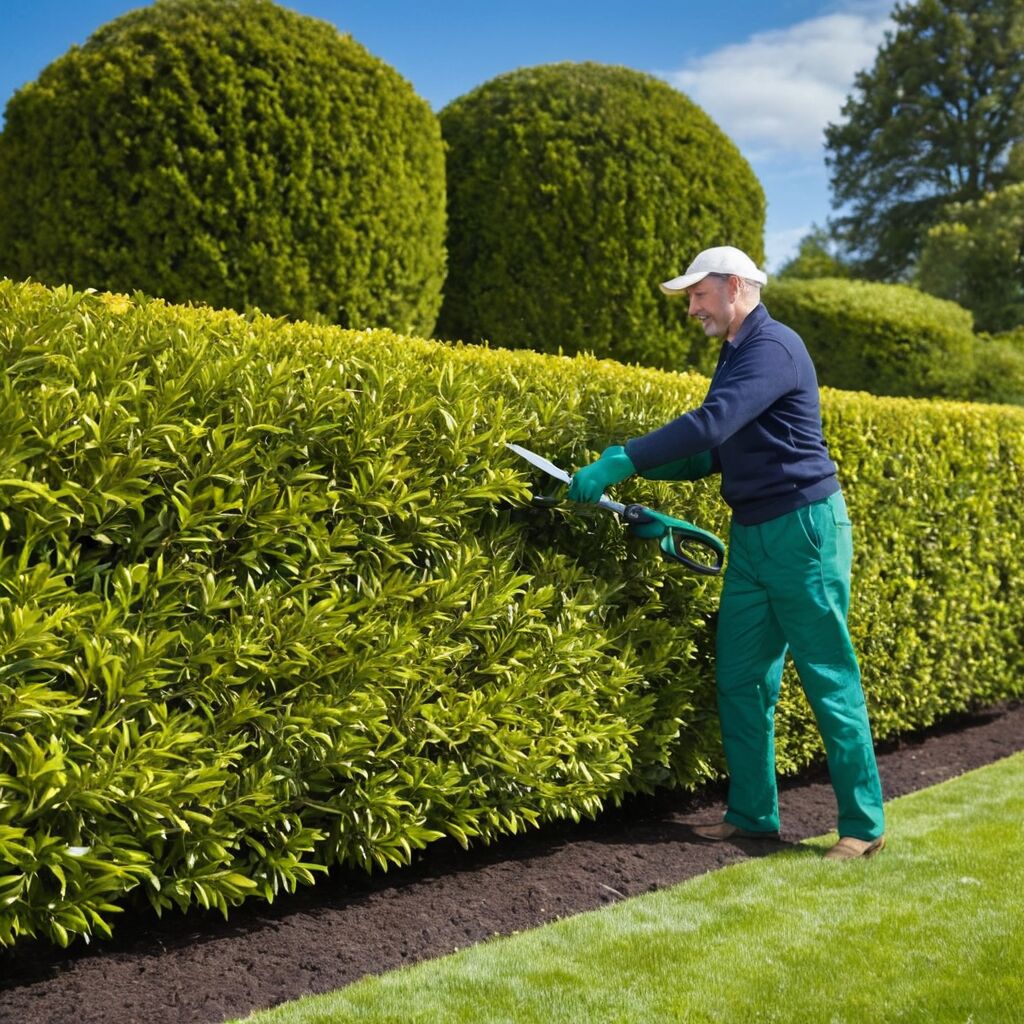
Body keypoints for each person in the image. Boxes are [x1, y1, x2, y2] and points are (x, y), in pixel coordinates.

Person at [568, 245, 885, 860]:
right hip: (754, 535)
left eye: (699, 295)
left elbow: (714, 422)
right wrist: (636, 476)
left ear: (736, 287)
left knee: (828, 675)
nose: (691, 308)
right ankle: (753, 816)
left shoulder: (773, 348)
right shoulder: (737, 354)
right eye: (690, 297)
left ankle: (864, 825)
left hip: (805, 532)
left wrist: (626, 456)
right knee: (742, 678)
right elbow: (716, 451)